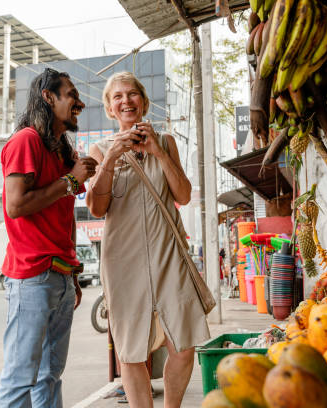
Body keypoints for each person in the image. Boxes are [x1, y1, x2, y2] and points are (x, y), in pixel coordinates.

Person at [86, 71, 210, 408]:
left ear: (143, 101)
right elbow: (97, 208)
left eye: (132, 94)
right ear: (111, 109)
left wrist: (157, 151)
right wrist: (110, 159)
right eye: (117, 97)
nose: (126, 101)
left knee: (184, 347)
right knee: (131, 353)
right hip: (123, 262)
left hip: (168, 255)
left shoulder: (166, 142)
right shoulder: (98, 150)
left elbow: (182, 194)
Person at [0, 68, 97, 407]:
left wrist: (74, 273)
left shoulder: (62, 151)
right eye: (70, 94)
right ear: (48, 97)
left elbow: (65, 215)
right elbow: (16, 205)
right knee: (20, 379)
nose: (78, 103)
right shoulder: (25, 140)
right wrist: (70, 181)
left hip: (61, 276)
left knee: (50, 377)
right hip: (32, 277)